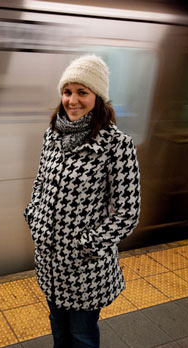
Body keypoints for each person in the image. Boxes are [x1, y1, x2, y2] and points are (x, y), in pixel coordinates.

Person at [24, 55, 141, 348]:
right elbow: (40, 184)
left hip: (84, 268)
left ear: (97, 97)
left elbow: (127, 214)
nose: (72, 100)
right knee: (58, 329)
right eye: (67, 91)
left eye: (82, 92)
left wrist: (86, 245)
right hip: (50, 261)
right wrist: (34, 218)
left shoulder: (117, 146)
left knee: (82, 335)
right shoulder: (51, 136)